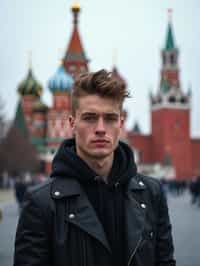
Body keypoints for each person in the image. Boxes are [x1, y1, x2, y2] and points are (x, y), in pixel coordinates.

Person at [14, 69, 176, 266]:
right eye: (90, 118)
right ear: (72, 123)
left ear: (121, 124)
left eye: (110, 118)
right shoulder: (40, 204)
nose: (100, 128)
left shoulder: (151, 194)